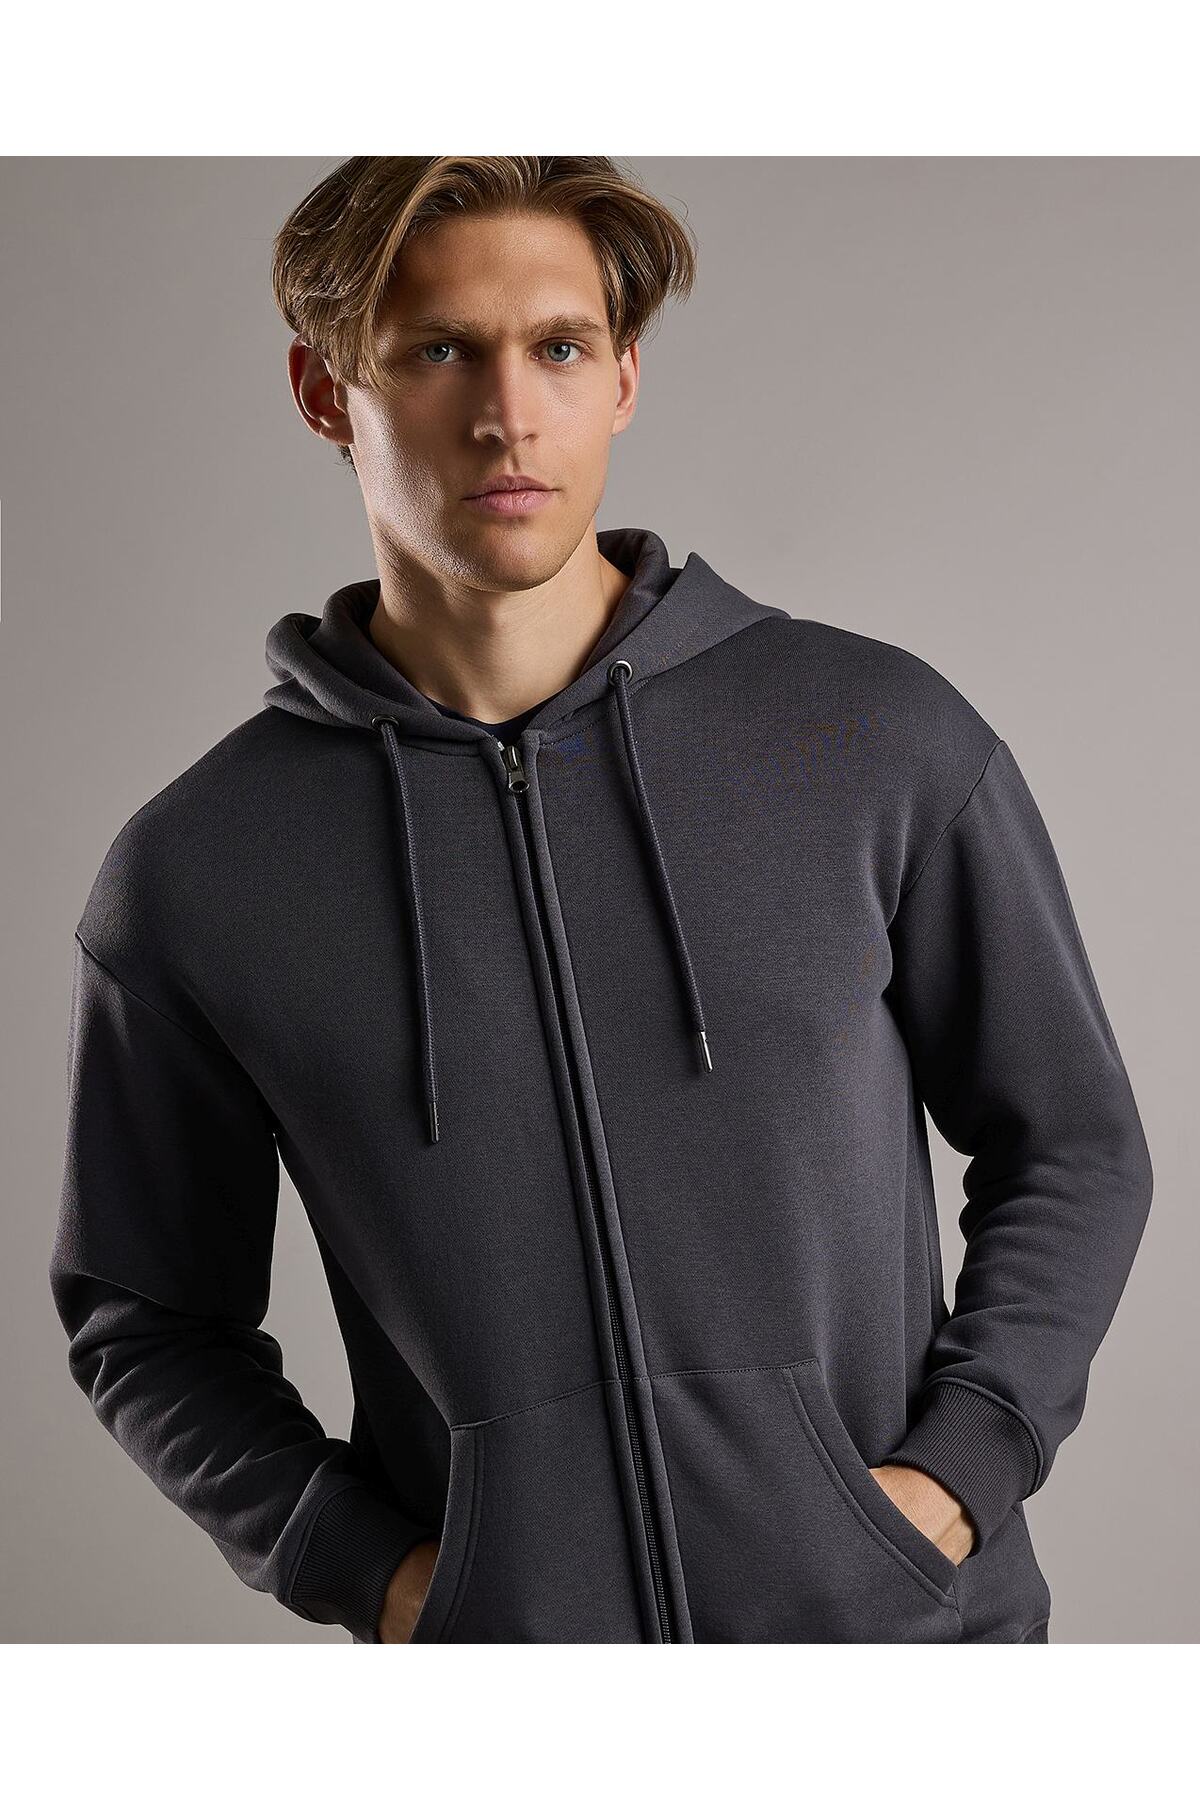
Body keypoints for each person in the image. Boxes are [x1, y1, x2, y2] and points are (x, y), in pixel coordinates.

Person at [49, 155, 1153, 1645]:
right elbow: (145, 1319)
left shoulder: (871, 738)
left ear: (624, 376)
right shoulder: (201, 873)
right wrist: (385, 1579)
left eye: (559, 347)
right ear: (325, 392)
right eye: (439, 351)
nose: (508, 414)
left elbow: (1074, 1141)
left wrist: (958, 1476)